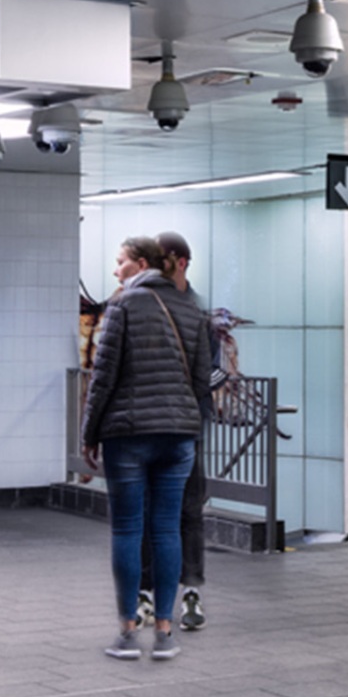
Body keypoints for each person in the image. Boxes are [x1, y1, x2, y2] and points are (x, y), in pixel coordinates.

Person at [83, 233, 210, 660]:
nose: (115, 270)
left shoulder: (122, 305)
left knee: (127, 529)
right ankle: (166, 634)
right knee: (167, 529)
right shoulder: (189, 308)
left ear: (139, 264)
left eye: (119, 261)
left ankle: (125, 632)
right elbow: (200, 381)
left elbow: (104, 377)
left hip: (130, 434)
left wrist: (89, 432)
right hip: (179, 438)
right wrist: (190, 427)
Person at [145, 229, 211, 634]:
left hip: (184, 429)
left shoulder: (198, 312)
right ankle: (149, 592)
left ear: (181, 262)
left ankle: (191, 592)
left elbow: (209, 372)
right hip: (152, 427)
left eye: (161, 259)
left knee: (188, 511)